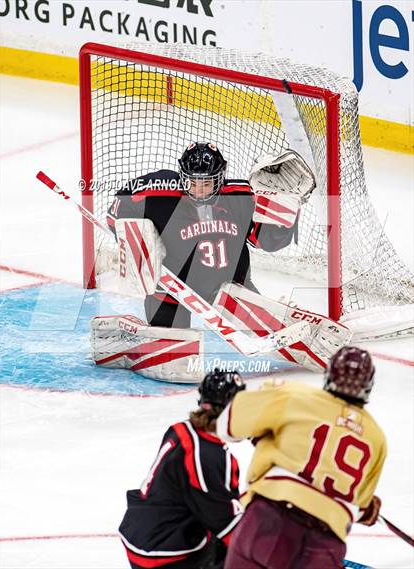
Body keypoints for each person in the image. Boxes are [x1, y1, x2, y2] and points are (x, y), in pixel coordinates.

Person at [107, 142, 313, 328]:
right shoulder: (159, 193)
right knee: (173, 354)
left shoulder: (240, 196)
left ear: (220, 179)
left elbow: (266, 242)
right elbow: (114, 213)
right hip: (172, 288)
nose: (199, 191)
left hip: (233, 288)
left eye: (206, 184)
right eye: (192, 183)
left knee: (267, 331)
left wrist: (284, 207)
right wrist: (140, 244)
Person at [216, 346, 387, 569]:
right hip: (325, 543)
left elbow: (227, 426)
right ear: (369, 385)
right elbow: (360, 507)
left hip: (270, 520)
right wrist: (366, 509)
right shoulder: (376, 438)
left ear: (330, 374)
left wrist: (266, 434)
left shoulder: (294, 396)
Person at [119, 368, 246, 569]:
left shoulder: (181, 429)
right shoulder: (208, 455)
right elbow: (228, 526)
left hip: (141, 532)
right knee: (243, 551)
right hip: (163, 553)